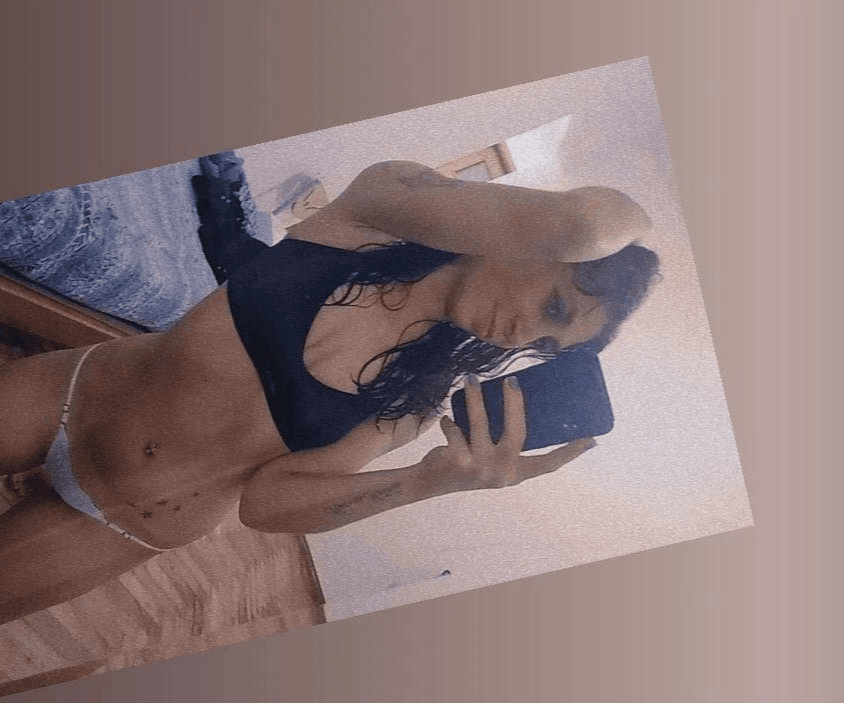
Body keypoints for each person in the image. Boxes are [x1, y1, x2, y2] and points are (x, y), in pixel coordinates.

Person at [0, 154, 659, 624]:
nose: (522, 336)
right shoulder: (376, 214)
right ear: (541, 242)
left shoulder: (416, 399)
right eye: (553, 307)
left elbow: (267, 505)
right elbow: (585, 221)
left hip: (126, 523)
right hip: (71, 402)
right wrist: (641, 242)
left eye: (547, 343)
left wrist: (424, 482)